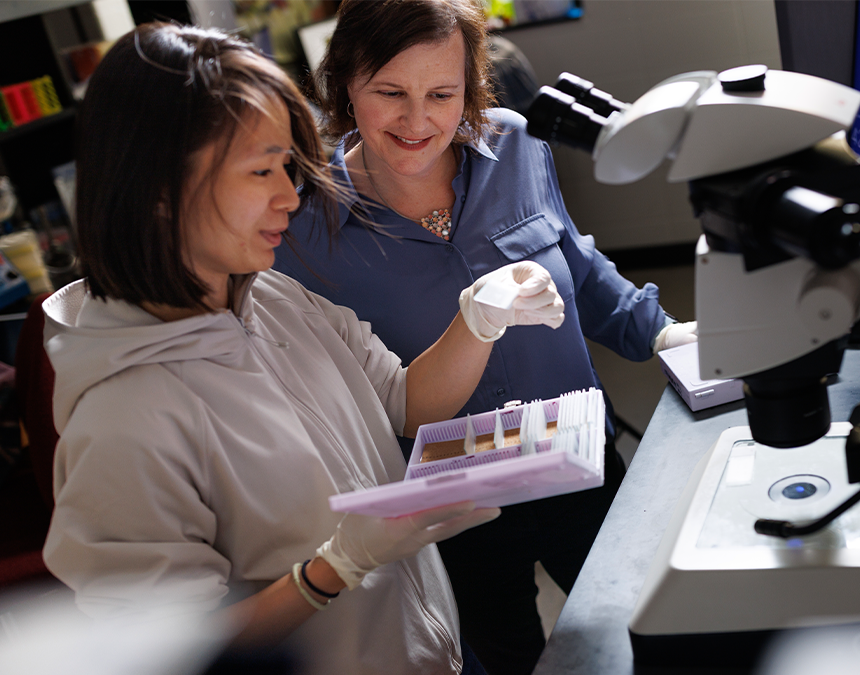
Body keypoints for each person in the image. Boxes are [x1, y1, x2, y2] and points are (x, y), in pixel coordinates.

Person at [41, 23, 567, 675]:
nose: (291, 197)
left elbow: (405, 403)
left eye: (288, 166)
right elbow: (170, 649)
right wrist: (333, 568)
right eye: (262, 170)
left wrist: (479, 320)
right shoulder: (124, 417)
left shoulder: (275, 298)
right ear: (157, 187)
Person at [273, 1, 698, 673]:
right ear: (345, 85)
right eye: (391, 93)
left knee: (648, 631)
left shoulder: (517, 145)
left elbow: (579, 268)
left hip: (578, 460)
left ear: (469, 87)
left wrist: (668, 334)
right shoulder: (302, 228)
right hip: (450, 509)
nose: (419, 122)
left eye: (442, 94)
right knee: (504, 658)